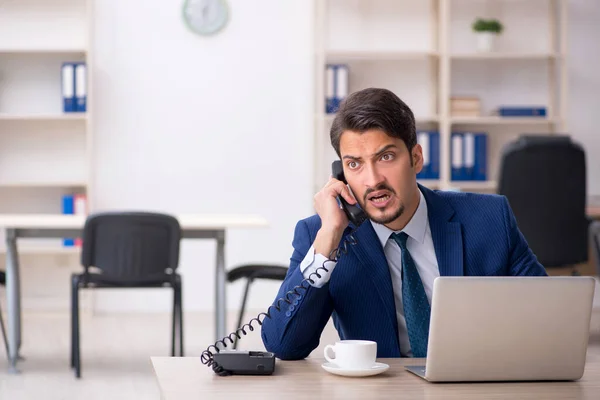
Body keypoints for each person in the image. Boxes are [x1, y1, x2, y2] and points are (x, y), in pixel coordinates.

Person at [260, 88, 547, 360]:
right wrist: (328, 240)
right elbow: (284, 344)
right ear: (341, 175)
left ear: (416, 158)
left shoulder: (489, 218)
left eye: (386, 157)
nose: (372, 181)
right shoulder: (323, 235)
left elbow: (547, 316)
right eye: (355, 164)